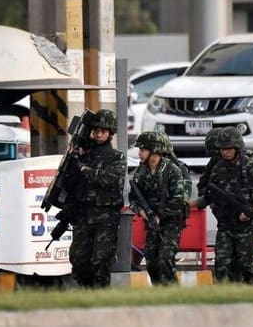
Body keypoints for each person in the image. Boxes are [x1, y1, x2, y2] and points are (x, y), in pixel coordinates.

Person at [205, 126, 253, 283]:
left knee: (246, 265)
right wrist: (214, 205)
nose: (225, 152)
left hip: (250, 222)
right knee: (222, 265)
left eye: (229, 148)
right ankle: (223, 299)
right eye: (222, 149)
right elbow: (211, 194)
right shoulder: (218, 168)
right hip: (227, 223)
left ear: (237, 148)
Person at [68, 109, 126, 288]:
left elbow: (107, 179)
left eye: (103, 131)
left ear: (110, 133)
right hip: (83, 214)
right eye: (96, 130)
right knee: (78, 260)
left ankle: (100, 299)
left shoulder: (117, 157)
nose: (99, 134)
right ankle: (88, 295)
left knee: (100, 262)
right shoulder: (83, 154)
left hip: (105, 216)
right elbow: (70, 180)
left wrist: (84, 168)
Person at [129, 131, 185, 285]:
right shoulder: (140, 172)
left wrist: (161, 216)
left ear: (154, 151)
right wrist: (142, 213)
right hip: (151, 223)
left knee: (165, 259)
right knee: (152, 261)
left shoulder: (172, 171)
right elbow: (133, 199)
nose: (139, 153)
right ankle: (159, 291)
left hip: (171, 223)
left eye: (142, 150)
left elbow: (179, 199)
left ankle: (173, 292)